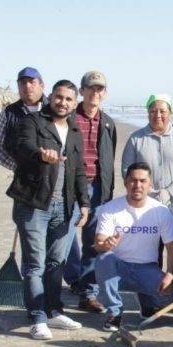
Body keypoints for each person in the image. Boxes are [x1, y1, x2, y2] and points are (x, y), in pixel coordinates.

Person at [6, 79, 89, 340]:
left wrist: (84, 203)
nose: (63, 103)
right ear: (50, 97)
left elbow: (78, 172)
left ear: (74, 104)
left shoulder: (75, 130)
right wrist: (40, 154)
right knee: (34, 264)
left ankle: (53, 310)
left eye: (68, 99)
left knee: (56, 262)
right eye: (59, 97)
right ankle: (37, 316)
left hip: (65, 207)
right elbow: (22, 146)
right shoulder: (32, 122)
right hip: (33, 204)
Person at [94, 162, 173, 331]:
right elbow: (98, 244)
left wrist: (169, 275)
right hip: (119, 268)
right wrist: (106, 244)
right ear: (126, 183)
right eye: (133, 180)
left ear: (150, 185)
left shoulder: (161, 211)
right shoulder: (110, 208)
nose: (137, 185)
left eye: (142, 181)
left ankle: (146, 300)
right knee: (104, 258)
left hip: (146, 269)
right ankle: (114, 312)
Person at [121, 94, 173, 269]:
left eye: (162, 111)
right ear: (148, 113)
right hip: (146, 207)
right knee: (150, 253)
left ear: (169, 112)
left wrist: (169, 191)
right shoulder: (136, 139)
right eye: (153, 110)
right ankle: (152, 292)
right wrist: (146, 192)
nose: (158, 115)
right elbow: (127, 171)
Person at [63, 70, 117, 313]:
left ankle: (88, 293)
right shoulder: (69, 118)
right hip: (70, 186)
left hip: (98, 188)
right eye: (91, 88)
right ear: (81, 91)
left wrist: (107, 192)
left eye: (100, 89)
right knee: (62, 238)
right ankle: (64, 284)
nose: (95, 92)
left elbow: (108, 158)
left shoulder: (108, 123)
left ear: (104, 93)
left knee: (94, 242)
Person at [0, 67, 48, 171]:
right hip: (23, 179)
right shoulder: (9, 112)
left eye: (32, 82)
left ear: (42, 85)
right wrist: (16, 166)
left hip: (52, 176)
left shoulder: (53, 110)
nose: (27, 86)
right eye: (23, 83)